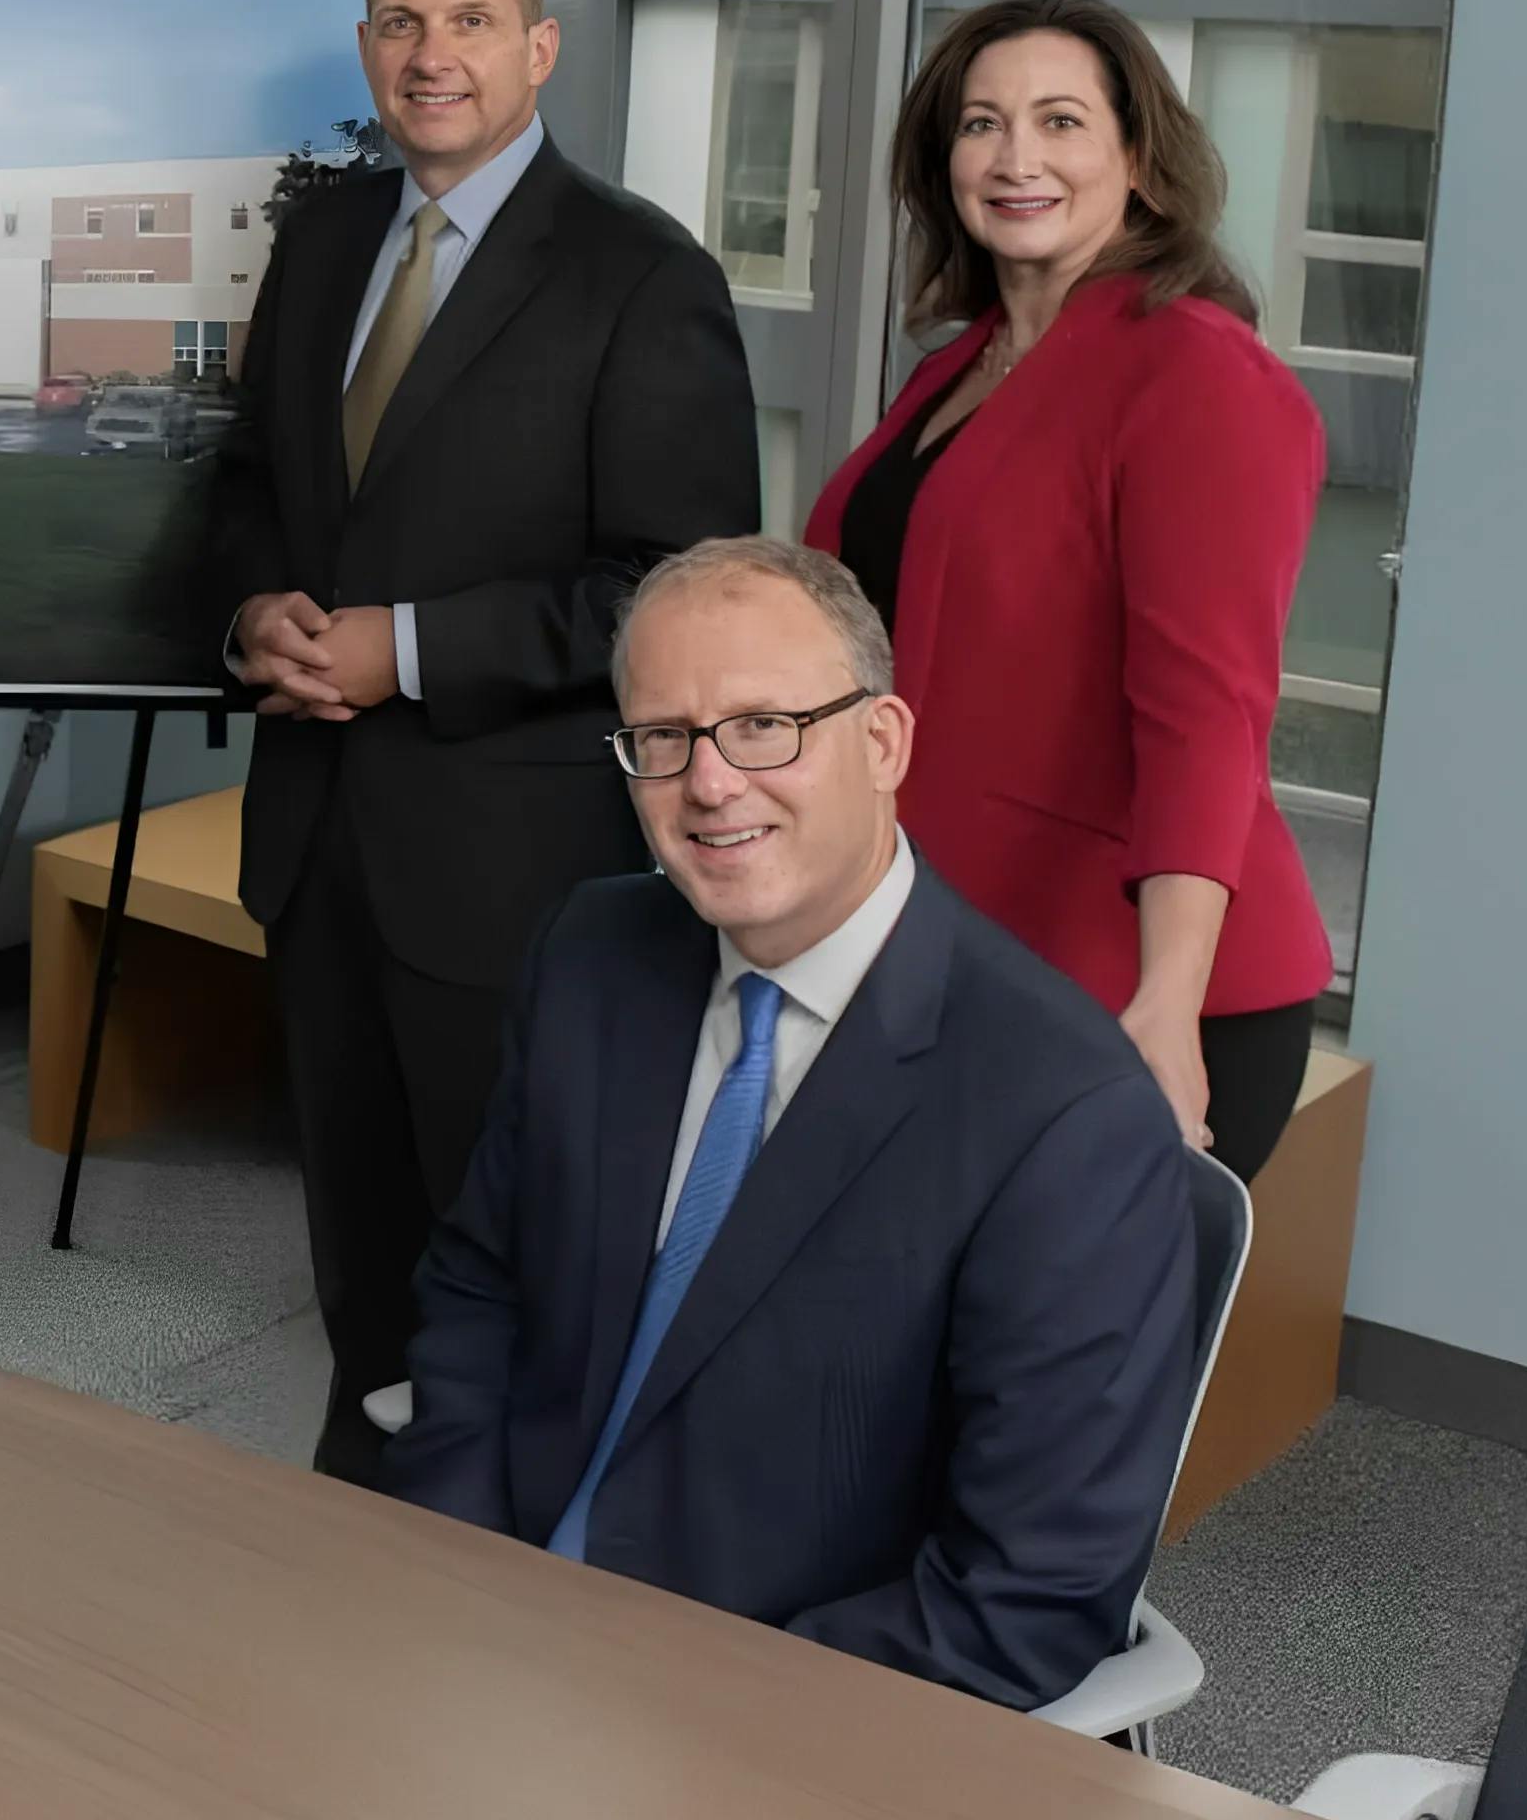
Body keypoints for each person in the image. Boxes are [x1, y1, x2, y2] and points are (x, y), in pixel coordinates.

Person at [384, 537, 1202, 1711]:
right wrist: (452, 1567)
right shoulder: (590, 955)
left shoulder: (1062, 1115)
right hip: (481, 1619)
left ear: (883, 742)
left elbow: (1026, 1594)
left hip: (757, 1716)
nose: (709, 783)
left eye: (764, 725)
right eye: (661, 738)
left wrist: (684, 1710)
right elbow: (478, 1287)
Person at [205, 0, 761, 1486]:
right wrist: (253, 615)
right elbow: (250, 485)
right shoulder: (323, 242)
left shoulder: (640, 275)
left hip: (510, 874)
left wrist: (406, 648)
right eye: (399, 21)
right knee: (360, 1247)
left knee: (513, 1255)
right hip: (319, 844)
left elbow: (675, 588)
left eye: (468, 21)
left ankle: (505, 1552)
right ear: (365, 46)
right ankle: (365, 1498)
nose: (429, 54)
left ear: (540, 48)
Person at [803, 0, 1333, 1180]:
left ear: (1137, 160)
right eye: (980, 124)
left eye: (1059, 121)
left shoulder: (1196, 373)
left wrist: (1165, 998)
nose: (1015, 157)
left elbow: (1206, 712)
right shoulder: (959, 364)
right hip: (950, 946)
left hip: (1130, 987)